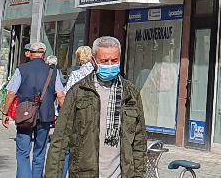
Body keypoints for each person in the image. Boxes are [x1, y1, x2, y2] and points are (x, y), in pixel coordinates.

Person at [44, 36, 149, 178]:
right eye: (105, 61)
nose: (110, 65)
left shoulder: (130, 93)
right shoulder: (79, 91)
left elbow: (139, 141)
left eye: (114, 60)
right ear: (93, 61)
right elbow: (60, 141)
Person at [2, 41, 65, 178]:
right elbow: (60, 95)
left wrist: (5, 113)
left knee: (23, 152)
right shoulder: (53, 71)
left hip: (25, 115)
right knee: (40, 152)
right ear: (44, 54)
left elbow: (11, 93)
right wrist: (65, 116)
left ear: (30, 53)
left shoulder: (21, 69)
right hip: (45, 115)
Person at [52, 46, 96, 176]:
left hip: (77, 114)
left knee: (68, 148)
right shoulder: (96, 74)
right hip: (93, 115)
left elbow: (67, 96)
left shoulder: (76, 74)